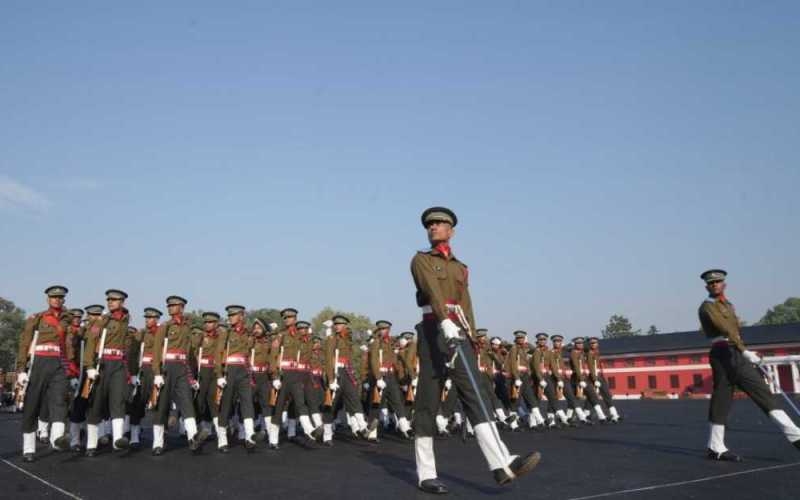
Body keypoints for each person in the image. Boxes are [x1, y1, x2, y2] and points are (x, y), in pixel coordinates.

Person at [410, 206, 540, 494]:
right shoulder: (421, 260)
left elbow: (466, 304)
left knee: (475, 394)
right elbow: (431, 290)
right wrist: (444, 321)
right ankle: (426, 473)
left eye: (439, 223)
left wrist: (471, 335)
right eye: (430, 224)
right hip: (433, 331)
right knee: (428, 402)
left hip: (458, 331)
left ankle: (501, 463)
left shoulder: (460, 267)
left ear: (451, 231)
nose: (433, 227)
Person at [699, 269, 800, 461]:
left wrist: (742, 351)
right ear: (707, 287)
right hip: (722, 353)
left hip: (735, 353)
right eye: (711, 283)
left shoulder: (728, 305)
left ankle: (795, 435)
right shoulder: (707, 307)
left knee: (761, 391)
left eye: (718, 282)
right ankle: (715, 447)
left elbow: (735, 331)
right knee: (722, 399)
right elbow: (725, 329)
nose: (714, 285)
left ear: (724, 284)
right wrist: (744, 350)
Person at [17, 286, 73, 461]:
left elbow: (69, 346)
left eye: (60, 297)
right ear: (48, 299)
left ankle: (57, 439)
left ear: (64, 300)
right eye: (53, 297)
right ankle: (28, 448)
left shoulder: (67, 320)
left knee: (59, 400)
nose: (57, 300)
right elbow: (25, 343)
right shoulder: (37, 318)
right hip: (39, 362)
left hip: (58, 363)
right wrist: (21, 369)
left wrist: (72, 369)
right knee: (32, 404)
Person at [150, 296, 208, 455]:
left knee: (187, 403)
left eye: (174, 305)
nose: (170, 307)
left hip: (182, 368)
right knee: (162, 405)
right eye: (169, 305)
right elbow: (157, 350)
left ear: (181, 308)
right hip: (167, 368)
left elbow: (189, 353)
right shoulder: (165, 326)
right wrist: (157, 373)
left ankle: (193, 438)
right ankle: (158, 443)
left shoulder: (187, 327)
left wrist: (191, 377)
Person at [83, 289, 132, 456]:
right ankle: (91, 444)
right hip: (102, 364)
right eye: (109, 300)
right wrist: (89, 366)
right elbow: (91, 342)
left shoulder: (125, 319)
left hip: (118, 365)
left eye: (114, 300)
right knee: (96, 403)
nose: (110, 302)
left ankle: (118, 441)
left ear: (122, 302)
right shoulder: (102, 320)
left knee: (118, 402)